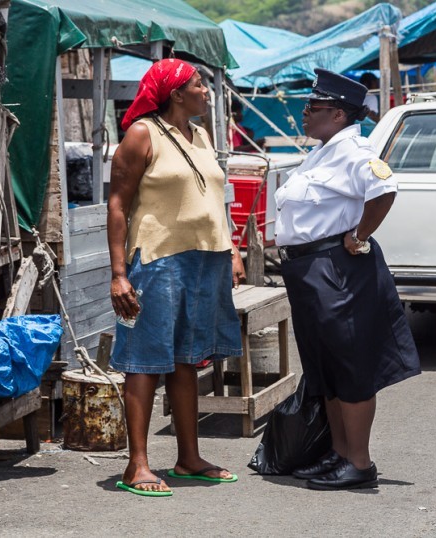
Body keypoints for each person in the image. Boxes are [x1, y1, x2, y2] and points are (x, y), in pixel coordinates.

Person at [274, 69, 421, 490]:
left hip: (337, 269)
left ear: (338, 114)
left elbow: (384, 190)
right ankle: (338, 454)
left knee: (349, 364)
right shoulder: (322, 151)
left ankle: (358, 460)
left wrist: (359, 236)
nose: (304, 113)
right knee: (326, 368)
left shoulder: (354, 150)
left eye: (312, 107)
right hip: (309, 270)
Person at [108, 58, 246, 497]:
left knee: (188, 359)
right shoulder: (142, 134)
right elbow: (116, 205)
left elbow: (211, 198)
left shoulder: (201, 135)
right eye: (199, 84)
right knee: (145, 361)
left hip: (205, 260)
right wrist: (118, 275)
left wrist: (233, 248)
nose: (206, 91)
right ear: (175, 93)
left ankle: (188, 458)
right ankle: (137, 465)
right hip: (157, 260)